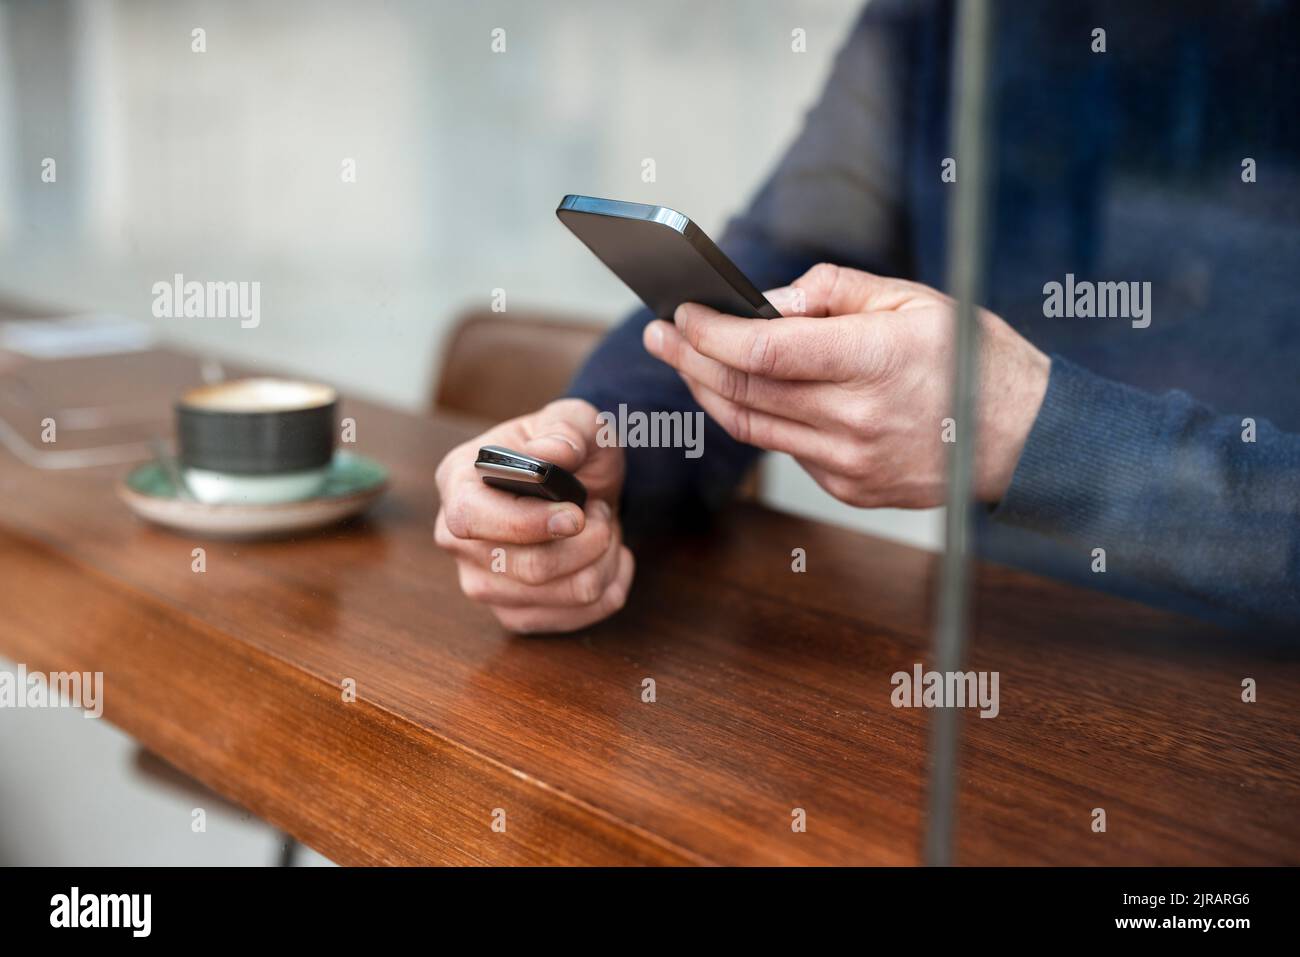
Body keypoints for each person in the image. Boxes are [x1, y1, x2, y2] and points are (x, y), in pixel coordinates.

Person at [435, 0, 1300, 634]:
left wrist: (1028, 428)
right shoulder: (936, 24)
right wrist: (595, 456)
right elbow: (778, 260)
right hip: (1007, 680)